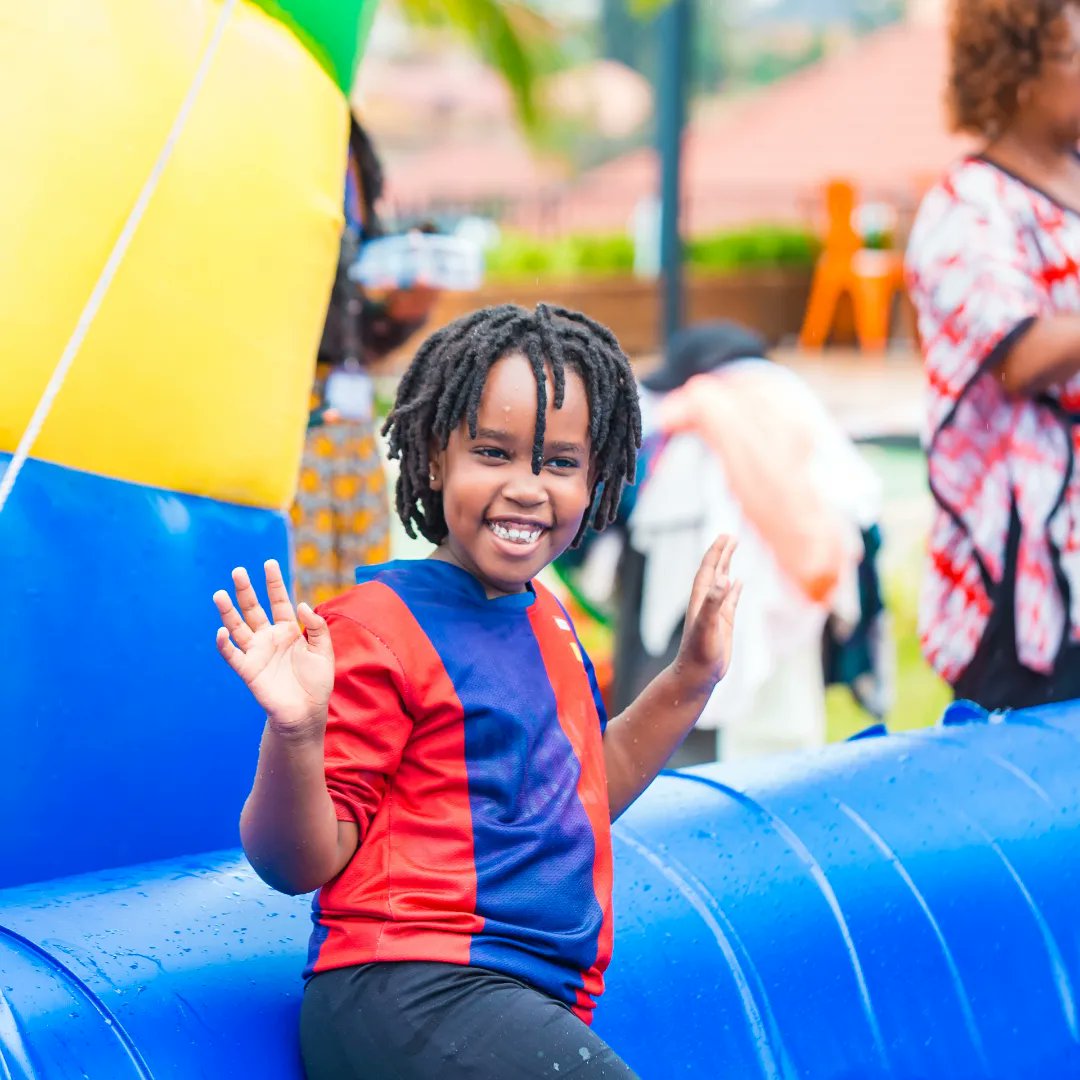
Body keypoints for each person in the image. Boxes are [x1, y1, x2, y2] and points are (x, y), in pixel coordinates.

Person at [212, 303, 742, 1079]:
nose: (528, 488)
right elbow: (296, 863)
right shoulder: (377, 627)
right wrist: (296, 732)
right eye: (493, 453)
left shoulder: (549, 620)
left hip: (521, 994)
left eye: (559, 463)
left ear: (597, 477)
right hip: (409, 987)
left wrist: (691, 676)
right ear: (433, 459)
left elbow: (581, 791)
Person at [905, 0, 1080, 710]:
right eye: (1074, 54)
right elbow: (1022, 354)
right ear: (1018, 76)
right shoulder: (967, 208)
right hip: (1021, 579)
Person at [291, 117, 439, 605]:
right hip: (291, 410)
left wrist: (403, 306)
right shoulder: (288, 133)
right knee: (299, 589)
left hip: (349, 416)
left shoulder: (350, 142)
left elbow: (358, 326)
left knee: (361, 584)